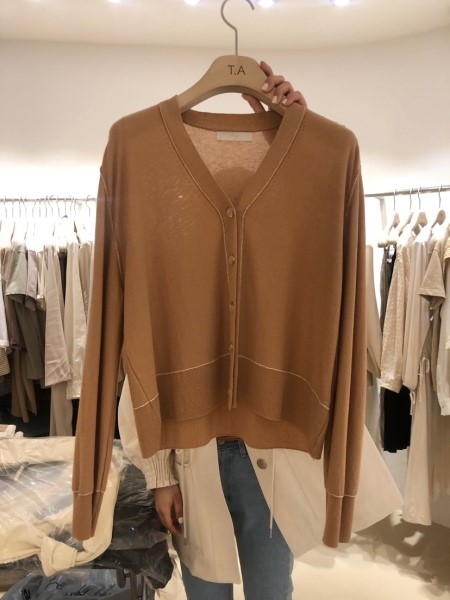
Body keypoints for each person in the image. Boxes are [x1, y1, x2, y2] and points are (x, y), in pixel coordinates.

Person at [153, 61, 306, 600]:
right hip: (193, 451)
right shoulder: (169, 222)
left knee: (271, 590)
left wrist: (300, 140)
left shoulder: (286, 227)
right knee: (206, 592)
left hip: (270, 450)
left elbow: (325, 256)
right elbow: (145, 354)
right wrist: (160, 474)